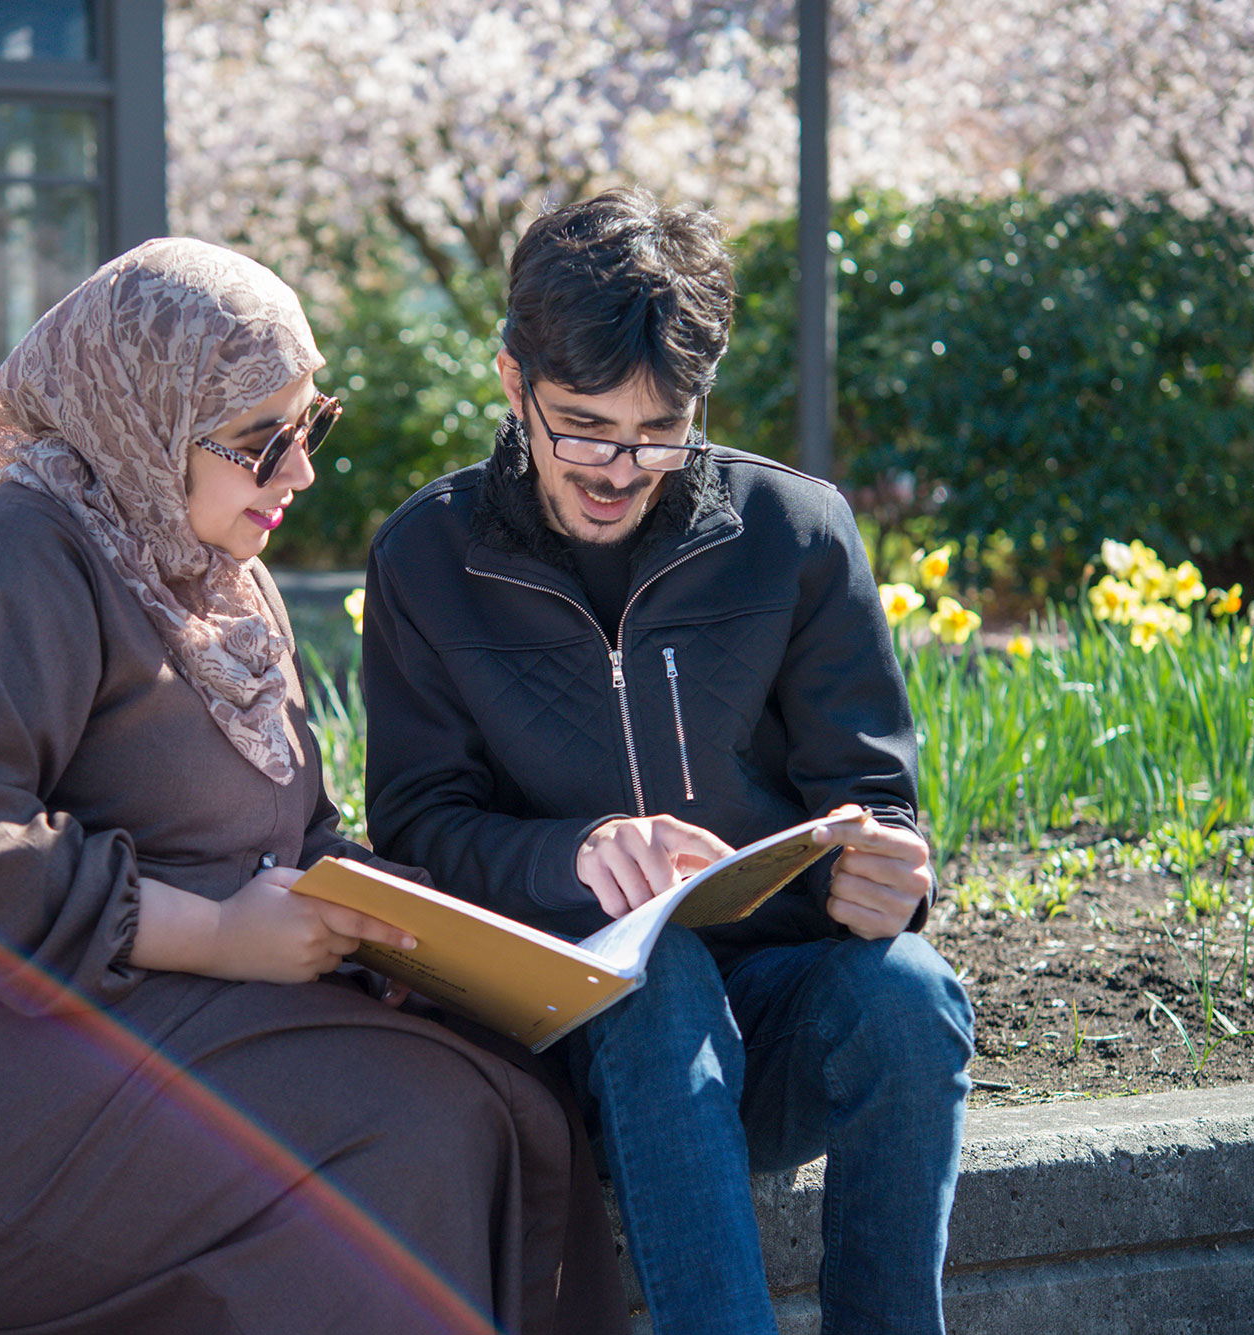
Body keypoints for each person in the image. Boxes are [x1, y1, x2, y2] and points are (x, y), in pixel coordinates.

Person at [0, 237, 627, 1335]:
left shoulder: (226, 597)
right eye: (260, 441)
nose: (299, 473)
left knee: (498, 1092)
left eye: (309, 427)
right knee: (405, 1129)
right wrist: (215, 934)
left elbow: (298, 838)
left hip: (113, 1020)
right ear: (137, 412)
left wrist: (406, 932)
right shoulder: (1, 558)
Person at [361, 188, 976, 1335]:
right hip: (563, 1042)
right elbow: (417, 828)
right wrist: (580, 854)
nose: (616, 467)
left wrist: (894, 871)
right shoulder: (424, 558)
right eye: (581, 426)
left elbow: (872, 796)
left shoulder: (793, 535)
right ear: (512, 385)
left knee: (909, 995)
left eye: (657, 431)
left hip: (772, 1014)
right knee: (655, 978)